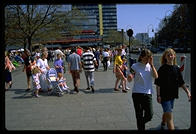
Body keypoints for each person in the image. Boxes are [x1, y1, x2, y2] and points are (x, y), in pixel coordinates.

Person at [154, 48, 191, 130]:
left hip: (173, 95)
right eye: (168, 55)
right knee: (170, 117)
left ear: (174, 56)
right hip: (164, 96)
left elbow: (181, 82)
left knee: (167, 110)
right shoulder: (162, 69)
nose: (170, 56)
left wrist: (188, 92)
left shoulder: (177, 69)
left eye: (172, 55)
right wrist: (158, 95)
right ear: (165, 57)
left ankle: (163, 122)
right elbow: (158, 84)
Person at [130, 49, 158, 130]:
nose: (147, 60)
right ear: (141, 57)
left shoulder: (150, 66)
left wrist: (152, 65)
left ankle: (140, 123)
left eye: (149, 58)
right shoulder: (135, 66)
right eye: (146, 58)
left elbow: (156, 76)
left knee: (150, 114)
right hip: (137, 93)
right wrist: (130, 77)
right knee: (139, 114)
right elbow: (131, 75)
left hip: (148, 93)